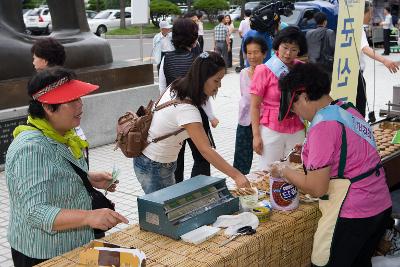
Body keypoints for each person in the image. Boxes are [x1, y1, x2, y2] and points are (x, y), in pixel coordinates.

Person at [5, 67, 128, 267]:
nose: (80, 105)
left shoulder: (62, 133)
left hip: (71, 245)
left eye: (79, 98)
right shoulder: (30, 148)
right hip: (43, 252)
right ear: (47, 106)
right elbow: (35, 211)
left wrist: (87, 177)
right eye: (71, 100)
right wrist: (90, 217)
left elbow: (52, 173)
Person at [274, 63, 392, 267]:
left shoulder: (323, 125)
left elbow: (317, 187)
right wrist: (310, 147)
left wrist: (284, 170)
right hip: (379, 205)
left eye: (295, 108)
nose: (299, 116)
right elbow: (349, 149)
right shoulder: (346, 108)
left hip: (353, 212)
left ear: (303, 96)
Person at [133, 51, 250, 194]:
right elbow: (205, 149)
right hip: (154, 165)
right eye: (216, 80)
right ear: (202, 78)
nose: (219, 86)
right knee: (164, 212)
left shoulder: (178, 85)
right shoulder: (186, 109)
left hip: (155, 160)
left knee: (169, 207)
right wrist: (237, 175)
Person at [158, 18, 218, 184]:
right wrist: (211, 116)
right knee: (202, 156)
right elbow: (203, 93)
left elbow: (162, 89)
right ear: (193, 38)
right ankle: (198, 189)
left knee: (177, 158)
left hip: (174, 116)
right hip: (196, 115)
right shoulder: (199, 60)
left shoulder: (166, 59)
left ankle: (178, 192)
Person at [250, 26, 307, 169]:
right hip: (272, 129)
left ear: (299, 51)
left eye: (293, 50)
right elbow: (255, 106)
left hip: (297, 128)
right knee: (269, 172)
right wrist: (256, 136)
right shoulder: (264, 70)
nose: (288, 53)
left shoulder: (302, 68)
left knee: (297, 170)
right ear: (278, 45)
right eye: (285, 47)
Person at [357, 1, 399, 118]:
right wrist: (385, 61)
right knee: (359, 107)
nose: (371, 17)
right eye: (370, 13)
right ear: (362, 13)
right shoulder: (358, 29)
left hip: (352, 74)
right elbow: (365, 49)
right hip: (356, 76)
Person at [233, 36, 268, 174]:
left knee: (267, 158)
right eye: (249, 53)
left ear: (264, 53)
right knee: (241, 161)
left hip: (265, 122)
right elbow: (246, 98)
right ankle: (240, 188)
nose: (252, 57)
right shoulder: (243, 73)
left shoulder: (270, 73)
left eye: (256, 52)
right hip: (245, 121)